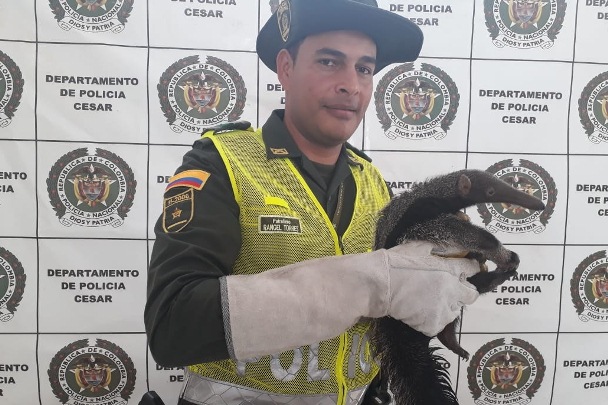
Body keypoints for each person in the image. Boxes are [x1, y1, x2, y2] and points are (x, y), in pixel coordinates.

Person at [144, 1, 481, 404]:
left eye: (364, 68)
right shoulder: (223, 164)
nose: (351, 85)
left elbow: (389, 322)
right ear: (286, 67)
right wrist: (370, 283)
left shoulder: (371, 180)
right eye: (328, 61)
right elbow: (172, 326)